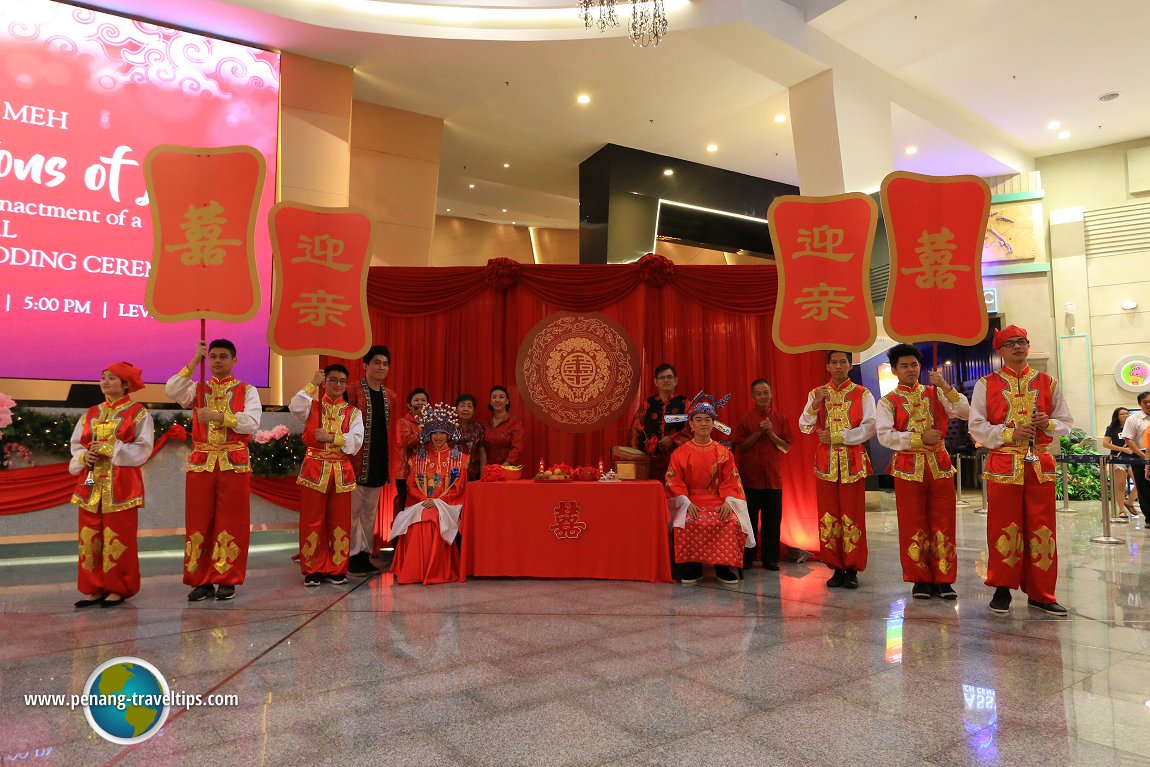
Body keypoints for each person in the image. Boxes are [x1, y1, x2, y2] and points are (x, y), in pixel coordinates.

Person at [969, 325, 1073, 616]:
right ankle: (1002, 587)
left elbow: (1065, 420)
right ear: (999, 351)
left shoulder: (1048, 382)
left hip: (1040, 464)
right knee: (1004, 526)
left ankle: (1041, 593)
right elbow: (976, 426)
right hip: (1003, 464)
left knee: (1042, 529)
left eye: (1022, 342)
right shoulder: (986, 384)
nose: (1018, 347)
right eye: (1010, 343)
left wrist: (1047, 423)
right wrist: (1007, 434)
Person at [166, 339, 261, 602]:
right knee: (199, 522)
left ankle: (227, 578)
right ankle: (202, 579)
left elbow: (252, 422)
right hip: (201, 463)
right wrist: (194, 360)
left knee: (232, 522)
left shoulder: (247, 390)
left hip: (234, 462)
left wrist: (221, 417)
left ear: (234, 361)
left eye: (224, 356)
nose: (218, 361)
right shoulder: (197, 389)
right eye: (213, 357)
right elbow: (171, 388)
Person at [876, 344, 970, 600]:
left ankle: (944, 578)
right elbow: (885, 436)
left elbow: (965, 412)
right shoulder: (888, 401)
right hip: (908, 469)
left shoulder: (935, 392)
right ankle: (919, 579)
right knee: (912, 524)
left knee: (944, 522)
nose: (910, 370)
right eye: (904, 366)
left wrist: (946, 387)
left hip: (939, 466)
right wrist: (919, 438)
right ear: (894, 370)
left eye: (914, 365)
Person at [69, 362, 154, 608]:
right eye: (103, 377)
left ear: (126, 384)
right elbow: (76, 444)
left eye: (112, 378)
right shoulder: (91, 413)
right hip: (91, 482)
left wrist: (109, 448)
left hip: (121, 486)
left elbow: (143, 449)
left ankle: (118, 588)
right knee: (89, 536)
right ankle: (94, 588)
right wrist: (85, 456)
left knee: (119, 537)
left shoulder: (138, 413)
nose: (105, 382)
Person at [798, 350, 876, 590]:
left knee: (852, 515)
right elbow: (804, 427)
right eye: (834, 362)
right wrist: (815, 404)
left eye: (843, 362)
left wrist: (839, 436)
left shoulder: (862, 394)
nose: (839, 366)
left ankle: (852, 568)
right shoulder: (817, 393)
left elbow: (870, 427)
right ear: (828, 367)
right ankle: (835, 567)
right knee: (829, 516)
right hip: (826, 462)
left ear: (850, 365)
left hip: (853, 460)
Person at [666, 392, 753, 585]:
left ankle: (723, 567)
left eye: (708, 420)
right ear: (691, 424)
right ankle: (692, 566)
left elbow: (732, 479)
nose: (704, 424)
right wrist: (685, 502)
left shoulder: (723, 453)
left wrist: (729, 501)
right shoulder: (680, 453)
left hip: (719, 500)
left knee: (730, 521)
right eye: (699, 420)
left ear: (713, 423)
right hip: (690, 501)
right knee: (688, 521)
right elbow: (674, 481)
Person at [289, 365, 364, 586]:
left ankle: (337, 568)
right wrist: (312, 383)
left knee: (339, 521)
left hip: (341, 471)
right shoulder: (312, 407)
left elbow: (356, 441)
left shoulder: (353, 413)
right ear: (325, 382)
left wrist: (332, 437)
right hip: (314, 469)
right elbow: (294, 406)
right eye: (333, 380)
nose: (338, 385)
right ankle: (312, 568)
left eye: (342, 381)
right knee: (312, 521)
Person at [390, 403, 467, 584]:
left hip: (448, 505)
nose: (438, 437)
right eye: (434, 433)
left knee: (433, 518)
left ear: (448, 434)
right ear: (428, 435)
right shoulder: (417, 458)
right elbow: (411, 486)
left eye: (442, 432)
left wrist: (439, 502)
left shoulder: (460, 459)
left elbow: (460, 488)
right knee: (419, 519)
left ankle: (433, 571)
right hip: (420, 503)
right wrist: (426, 500)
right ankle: (415, 571)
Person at [345, 345, 398, 576]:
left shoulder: (390, 396)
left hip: (378, 459)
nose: (381, 367)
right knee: (353, 511)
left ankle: (365, 554)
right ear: (366, 365)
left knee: (369, 512)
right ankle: (350, 556)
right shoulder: (352, 391)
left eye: (385, 364)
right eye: (377, 362)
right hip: (355, 461)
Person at [734, 379, 793, 571]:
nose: (762, 396)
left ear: (771, 394)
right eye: (758, 393)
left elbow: (785, 447)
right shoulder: (745, 419)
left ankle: (771, 559)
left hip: (773, 481)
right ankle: (748, 558)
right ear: (752, 396)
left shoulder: (780, 418)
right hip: (750, 480)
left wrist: (771, 433)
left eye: (765, 392)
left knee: (772, 523)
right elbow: (740, 447)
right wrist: (759, 432)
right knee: (748, 522)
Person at [630, 363, 690, 482]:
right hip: (651, 461)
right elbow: (635, 433)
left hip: (678, 460)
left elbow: (693, 429)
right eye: (662, 377)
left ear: (676, 380)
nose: (666, 380)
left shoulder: (685, 404)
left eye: (669, 377)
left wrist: (672, 439)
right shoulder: (647, 404)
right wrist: (635, 459)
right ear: (655, 382)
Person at [394, 387, 429, 512]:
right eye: (417, 400)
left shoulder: (432, 422)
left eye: (424, 400)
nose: (420, 403)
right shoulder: (403, 422)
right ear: (409, 404)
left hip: (428, 470)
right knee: (407, 507)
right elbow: (405, 441)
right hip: (406, 472)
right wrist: (425, 430)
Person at [1103, 406, 1139, 517]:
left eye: (1127, 413)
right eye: (1122, 414)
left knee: (1140, 482)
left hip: (1133, 459)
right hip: (1118, 459)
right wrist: (1123, 449)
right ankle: (1121, 510)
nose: (1126, 415)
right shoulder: (1112, 428)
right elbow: (1106, 443)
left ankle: (1129, 502)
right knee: (1120, 485)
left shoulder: (1133, 427)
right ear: (1117, 416)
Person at [1120, 391, 1150, 520]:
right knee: (1144, 487)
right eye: (1145, 402)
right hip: (1141, 455)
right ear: (1140, 404)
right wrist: (1143, 457)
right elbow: (1129, 439)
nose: (1148, 404)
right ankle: (1149, 517)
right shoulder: (1133, 419)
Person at [482, 385, 523, 467]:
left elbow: (516, 448)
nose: (497, 400)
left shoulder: (514, 423)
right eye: (494, 397)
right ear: (490, 401)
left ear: (507, 401)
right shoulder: (484, 423)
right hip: (487, 470)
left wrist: (502, 468)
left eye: (501, 397)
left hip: (507, 469)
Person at [453, 393, 486, 481]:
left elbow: (482, 454)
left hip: (472, 473)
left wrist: (483, 476)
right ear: (456, 409)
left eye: (469, 406)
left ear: (474, 410)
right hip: (451, 473)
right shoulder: (449, 426)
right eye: (462, 406)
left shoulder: (478, 428)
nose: (466, 409)